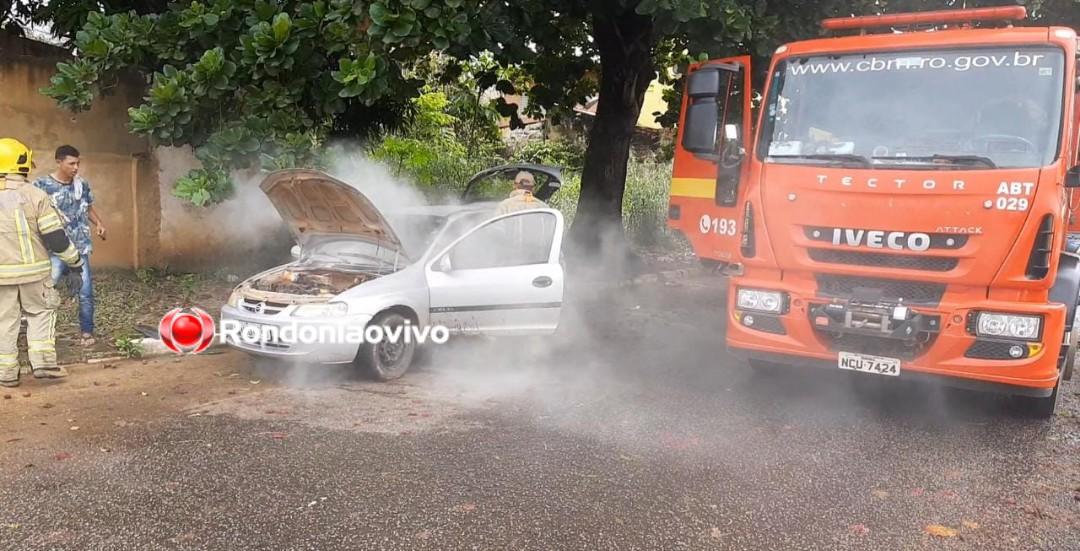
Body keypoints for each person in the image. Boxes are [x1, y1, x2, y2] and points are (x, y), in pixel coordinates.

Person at [0, 139, 84, 387]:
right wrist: (75, 263)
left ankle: (6, 373)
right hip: (35, 275)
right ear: (23, 163)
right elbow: (56, 238)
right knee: (41, 313)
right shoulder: (35, 195)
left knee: (4, 321)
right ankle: (44, 364)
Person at [33, 145, 106, 346]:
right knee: (45, 292)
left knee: (85, 293)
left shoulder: (81, 184)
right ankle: (40, 335)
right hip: (54, 249)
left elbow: (88, 207)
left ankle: (87, 333)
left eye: (78, 163)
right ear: (59, 162)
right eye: (71, 163)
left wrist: (99, 224)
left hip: (80, 248)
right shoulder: (41, 185)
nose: (76, 167)